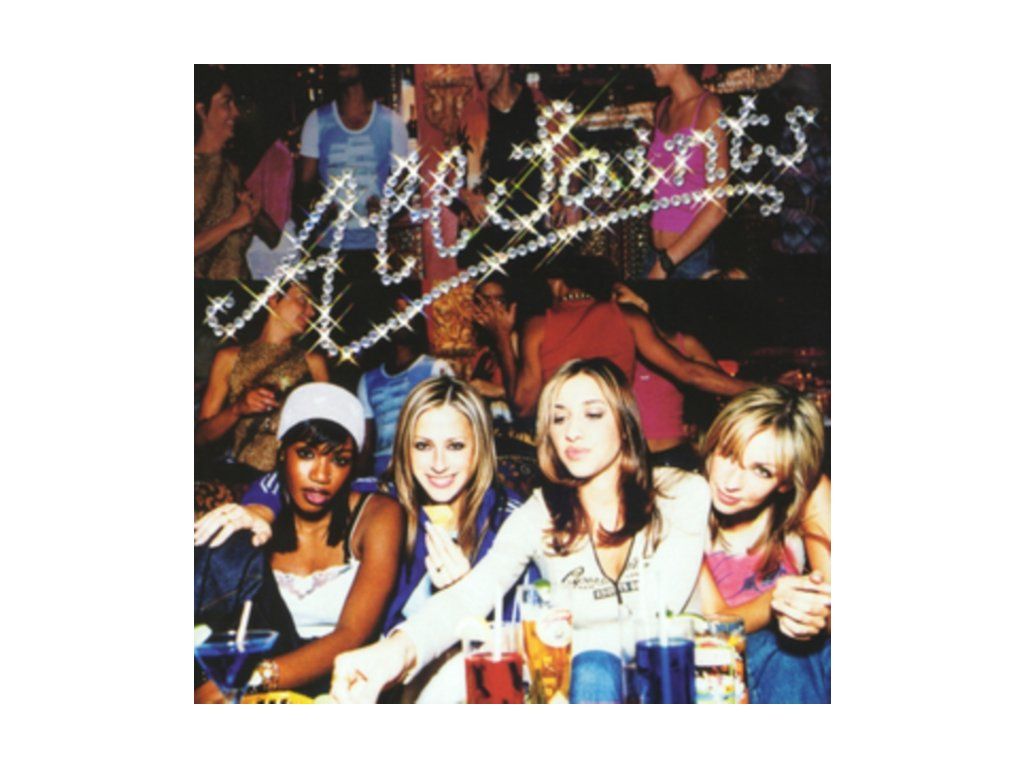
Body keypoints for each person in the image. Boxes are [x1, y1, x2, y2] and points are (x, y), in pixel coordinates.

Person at [328, 358, 712, 704]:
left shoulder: (682, 493)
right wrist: (394, 654)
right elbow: (471, 594)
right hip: (580, 689)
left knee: (594, 664)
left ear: (625, 423)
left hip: (670, 682)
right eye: (559, 418)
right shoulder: (539, 513)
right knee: (467, 675)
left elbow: (657, 619)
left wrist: (542, 643)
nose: (573, 431)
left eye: (593, 414)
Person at [236, 376, 534, 703]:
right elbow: (294, 479)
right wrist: (259, 509)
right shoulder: (384, 499)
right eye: (423, 446)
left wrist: (467, 601)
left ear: (480, 447)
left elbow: (523, 642)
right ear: (404, 447)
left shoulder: (509, 519)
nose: (439, 464)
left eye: (455, 446)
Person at [194, 383, 404, 701]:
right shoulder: (259, 515)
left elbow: (352, 635)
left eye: (339, 460)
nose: (321, 475)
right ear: (281, 451)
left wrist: (252, 678)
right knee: (226, 539)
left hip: (338, 677)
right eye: (306, 454)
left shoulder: (379, 514)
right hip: (256, 669)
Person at [695, 384, 831, 703]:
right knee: (784, 653)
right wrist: (777, 602)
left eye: (761, 471)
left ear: (787, 481)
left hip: (800, 669)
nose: (731, 482)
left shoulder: (808, 496)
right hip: (718, 664)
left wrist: (814, 613)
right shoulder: (680, 498)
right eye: (728, 454)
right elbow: (716, 622)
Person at [492, 252, 751, 416]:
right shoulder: (628, 317)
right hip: (615, 436)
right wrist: (758, 389)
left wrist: (502, 336)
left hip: (564, 435)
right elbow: (690, 372)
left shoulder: (538, 325)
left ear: (558, 283)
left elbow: (523, 404)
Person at [195, 282, 329, 484]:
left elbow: (329, 431)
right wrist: (238, 409)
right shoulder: (229, 357)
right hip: (240, 478)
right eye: (303, 300)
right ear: (273, 299)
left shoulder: (314, 362)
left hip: (293, 479)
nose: (311, 312)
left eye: (313, 306)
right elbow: (201, 437)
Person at [296, 64, 409, 264]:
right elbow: (303, 192)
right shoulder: (317, 121)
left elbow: (403, 193)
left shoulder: (391, 123)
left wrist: (384, 208)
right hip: (328, 251)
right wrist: (320, 208)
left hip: (376, 251)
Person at [643, 65, 729, 280]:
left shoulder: (708, 108)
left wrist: (666, 263)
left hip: (691, 261)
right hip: (655, 256)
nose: (646, 64)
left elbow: (718, 207)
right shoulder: (663, 108)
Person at [194, 66, 280, 279]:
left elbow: (274, 238)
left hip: (237, 288)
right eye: (226, 103)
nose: (235, 112)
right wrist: (232, 223)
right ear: (201, 110)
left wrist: (254, 212)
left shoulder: (231, 168)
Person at [356, 307, 453, 478]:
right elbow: (367, 441)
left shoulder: (437, 369)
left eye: (408, 313)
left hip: (424, 464)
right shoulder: (368, 380)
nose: (402, 320)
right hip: (383, 469)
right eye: (397, 314)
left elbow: (452, 425)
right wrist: (360, 479)